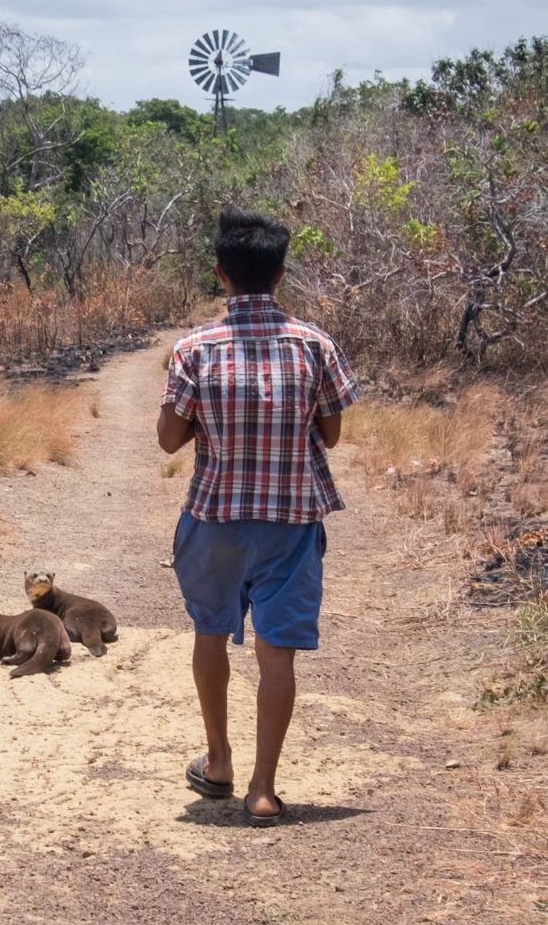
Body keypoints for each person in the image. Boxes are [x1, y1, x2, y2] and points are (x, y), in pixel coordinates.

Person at [158, 206, 360, 827]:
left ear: (222, 275)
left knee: (209, 632)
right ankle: (263, 789)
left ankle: (217, 760)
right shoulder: (314, 345)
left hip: (214, 516)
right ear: (279, 276)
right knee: (278, 655)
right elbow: (331, 433)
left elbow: (169, 439)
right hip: (292, 522)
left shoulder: (194, 349)